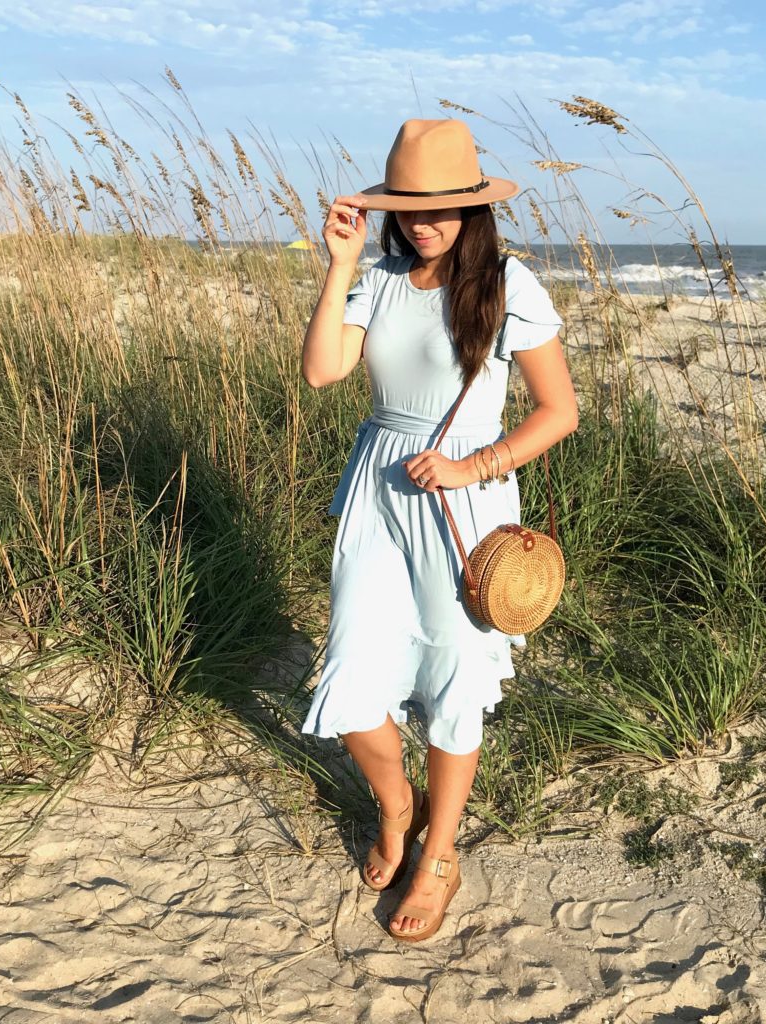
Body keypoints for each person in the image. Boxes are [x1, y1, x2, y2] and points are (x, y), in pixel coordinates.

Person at [299, 118, 578, 942]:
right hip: (377, 488)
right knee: (350, 680)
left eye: (444, 207)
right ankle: (398, 809)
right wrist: (342, 266)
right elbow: (322, 372)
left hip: (467, 499)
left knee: (456, 679)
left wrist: (474, 466)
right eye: (410, 207)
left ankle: (441, 854)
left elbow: (559, 411)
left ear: (473, 208)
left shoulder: (507, 285)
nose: (425, 221)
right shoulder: (379, 276)